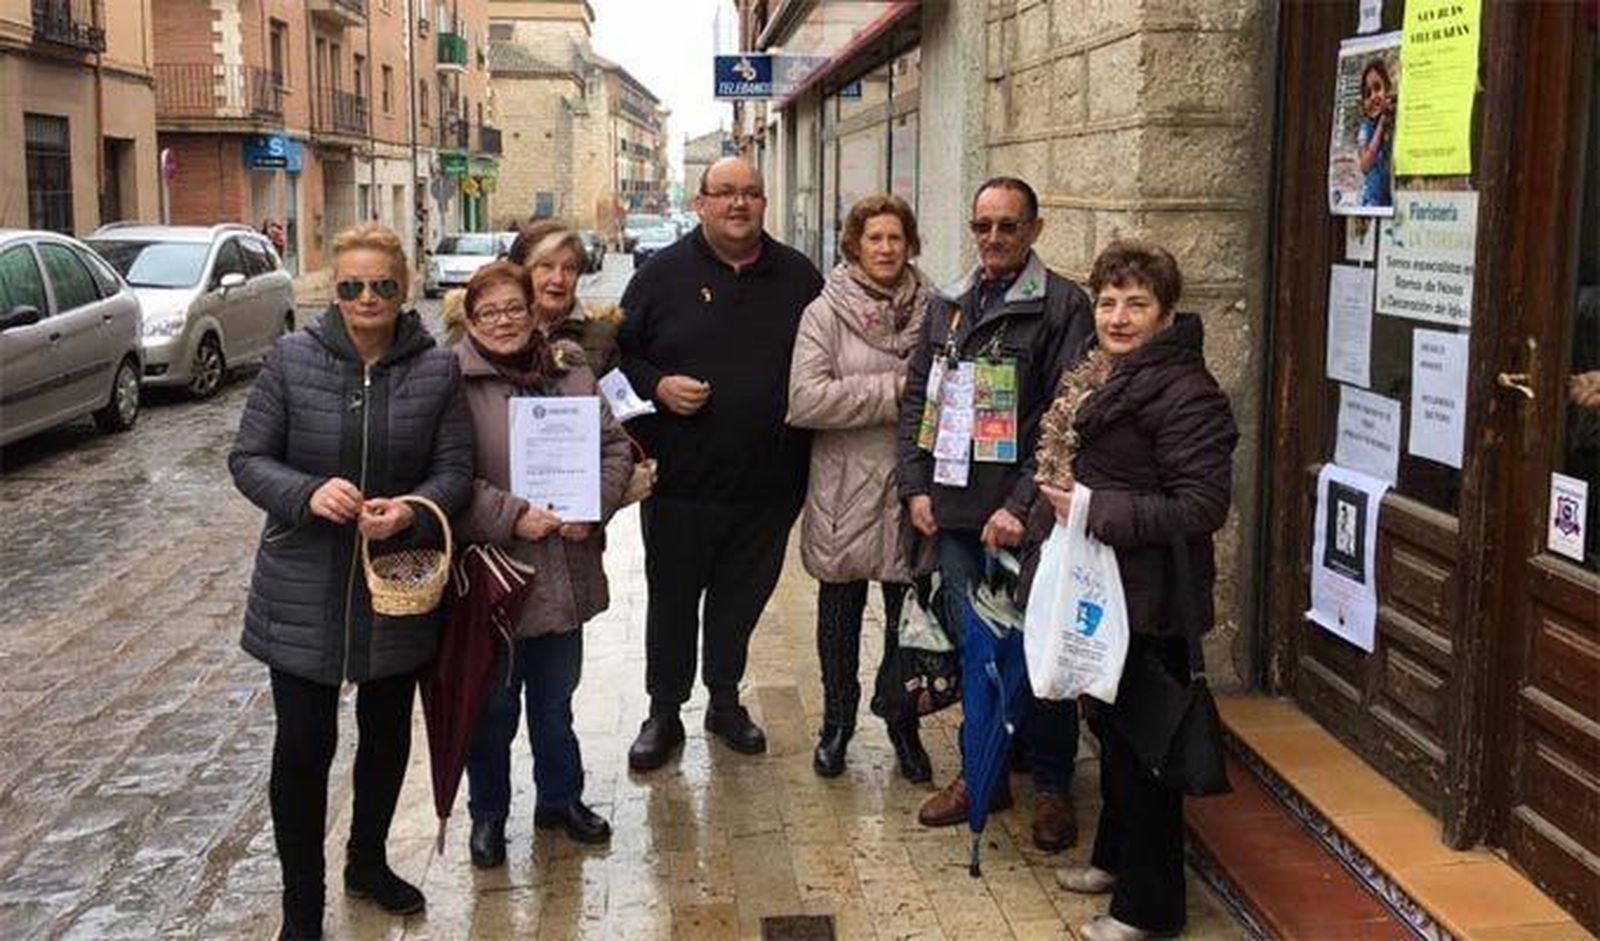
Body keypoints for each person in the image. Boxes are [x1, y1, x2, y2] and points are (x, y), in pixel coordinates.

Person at [229, 222, 473, 940]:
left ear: (404, 289)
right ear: (333, 290)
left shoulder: (435, 371)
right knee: (303, 749)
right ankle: (301, 906)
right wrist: (306, 494)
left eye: (383, 286)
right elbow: (248, 458)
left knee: (387, 732)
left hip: (395, 582)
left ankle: (366, 859)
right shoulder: (290, 359)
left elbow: (455, 471)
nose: (368, 298)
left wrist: (408, 512)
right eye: (352, 286)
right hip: (300, 588)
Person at [1038, 240, 1238, 941]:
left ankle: (1147, 910)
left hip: (1154, 598)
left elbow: (1201, 506)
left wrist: (1095, 509)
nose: (1119, 316)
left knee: (1148, 753)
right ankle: (1113, 860)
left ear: (1166, 311)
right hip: (1107, 588)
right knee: (1116, 734)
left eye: (1137, 303)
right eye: (1108, 301)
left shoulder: (1186, 391)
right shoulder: (1104, 372)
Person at [896, 176, 1094, 852]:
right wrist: (915, 486)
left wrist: (1020, 506)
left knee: (1036, 651)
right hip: (952, 513)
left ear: (1034, 229)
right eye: (983, 225)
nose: (994, 238)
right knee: (977, 650)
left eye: (1009, 225)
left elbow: (1066, 421)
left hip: (1024, 521)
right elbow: (918, 400)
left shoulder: (1065, 305)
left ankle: (1051, 783)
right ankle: (983, 775)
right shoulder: (947, 303)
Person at [617, 156, 824, 771]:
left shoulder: (798, 276)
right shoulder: (660, 276)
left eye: (751, 193)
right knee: (674, 600)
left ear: (765, 203)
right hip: (681, 484)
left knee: (741, 600)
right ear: (702, 202)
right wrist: (657, 386)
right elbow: (612, 361)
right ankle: (663, 711)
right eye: (726, 193)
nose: (740, 204)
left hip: (770, 483)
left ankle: (725, 700)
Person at [450, 260, 633, 868]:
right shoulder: (449, 378)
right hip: (494, 573)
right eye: (489, 312)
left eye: (514, 309)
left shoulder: (569, 368)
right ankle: (489, 816)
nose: (503, 322)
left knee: (555, 700)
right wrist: (510, 516)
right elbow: (445, 479)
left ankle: (561, 799)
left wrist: (594, 506)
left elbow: (613, 448)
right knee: (493, 707)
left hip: (562, 566)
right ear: (470, 320)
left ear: (534, 312)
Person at [787, 194, 934, 781]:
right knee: (839, 617)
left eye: (895, 238)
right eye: (873, 238)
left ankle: (903, 723)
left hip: (910, 486)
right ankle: (838, 724)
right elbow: (805, 400)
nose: (885, 249)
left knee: (910, 621)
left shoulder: (938, 310)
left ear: (910, 244)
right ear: (854, 245)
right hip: (845, 485)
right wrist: (893, 391)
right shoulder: (823, 314)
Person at [506, 220, 623, 376]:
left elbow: (618, 399)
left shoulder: (602, 337)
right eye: (546, 266)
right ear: (520, 271)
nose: (558, 279)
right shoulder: (492, 331)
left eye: (569, 268)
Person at [1358, 59, 1395, 209]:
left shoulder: (1395, 122)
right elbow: (1365, 165)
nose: (1373, 96)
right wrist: (1380, 126)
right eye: (1368, 94)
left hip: (1392, 201)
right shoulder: (1366, 128)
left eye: (1377, 88)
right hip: (1372, 202)